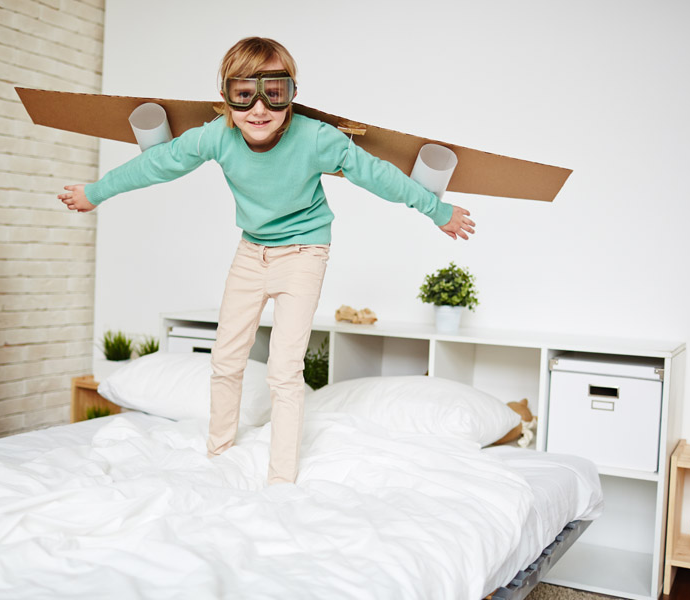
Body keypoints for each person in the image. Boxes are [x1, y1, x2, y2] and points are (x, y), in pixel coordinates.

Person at [59, 37, 475, 485]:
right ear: (226, 97)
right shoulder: (216, 137)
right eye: (244, 94)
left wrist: (438, 211)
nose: (259, 109)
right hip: (250, 252)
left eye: (273, 93)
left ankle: (281, 479)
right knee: (225, 359)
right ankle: (218, 457)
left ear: (291, 93)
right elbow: (157, 163)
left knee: (284, 369)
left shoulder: (318, 139)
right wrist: (95, 192)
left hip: (304, 253)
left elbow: (380, 177)